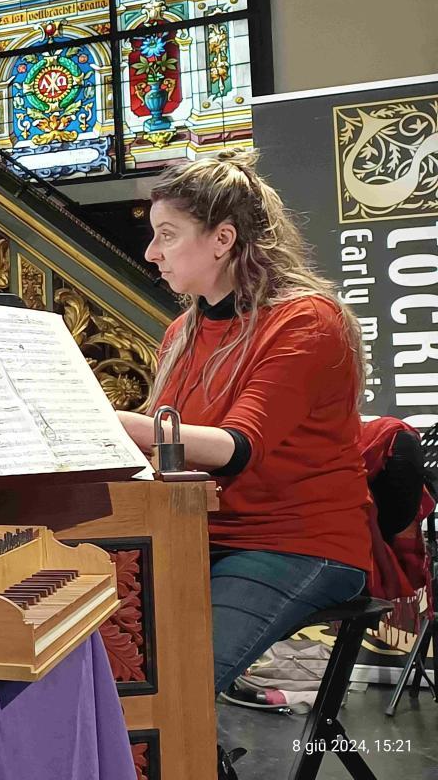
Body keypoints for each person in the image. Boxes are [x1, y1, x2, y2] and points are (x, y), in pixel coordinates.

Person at [114, 151, 372, 749]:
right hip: (203, 532)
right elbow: (166, 454)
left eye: (167, 236)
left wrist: (117, 422)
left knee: (174, 676)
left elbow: (237, 448)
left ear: (223, 239)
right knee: (104, 652)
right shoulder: (182, 331)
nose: (152, 253)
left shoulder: (307, 321)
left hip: (298, 542)